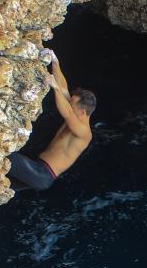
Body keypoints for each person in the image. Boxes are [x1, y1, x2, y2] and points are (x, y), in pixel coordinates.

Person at [7, 50, 96, 191]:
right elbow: (64, 89)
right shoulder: (76, 113)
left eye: (72, 104)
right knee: (0, 183)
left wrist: (54, 87)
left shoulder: (84, 133)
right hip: (37, 170)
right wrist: (55, 62)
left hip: (42, 174)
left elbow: (66, 112)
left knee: (3, 155)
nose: (69, 104)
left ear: (83, 112)